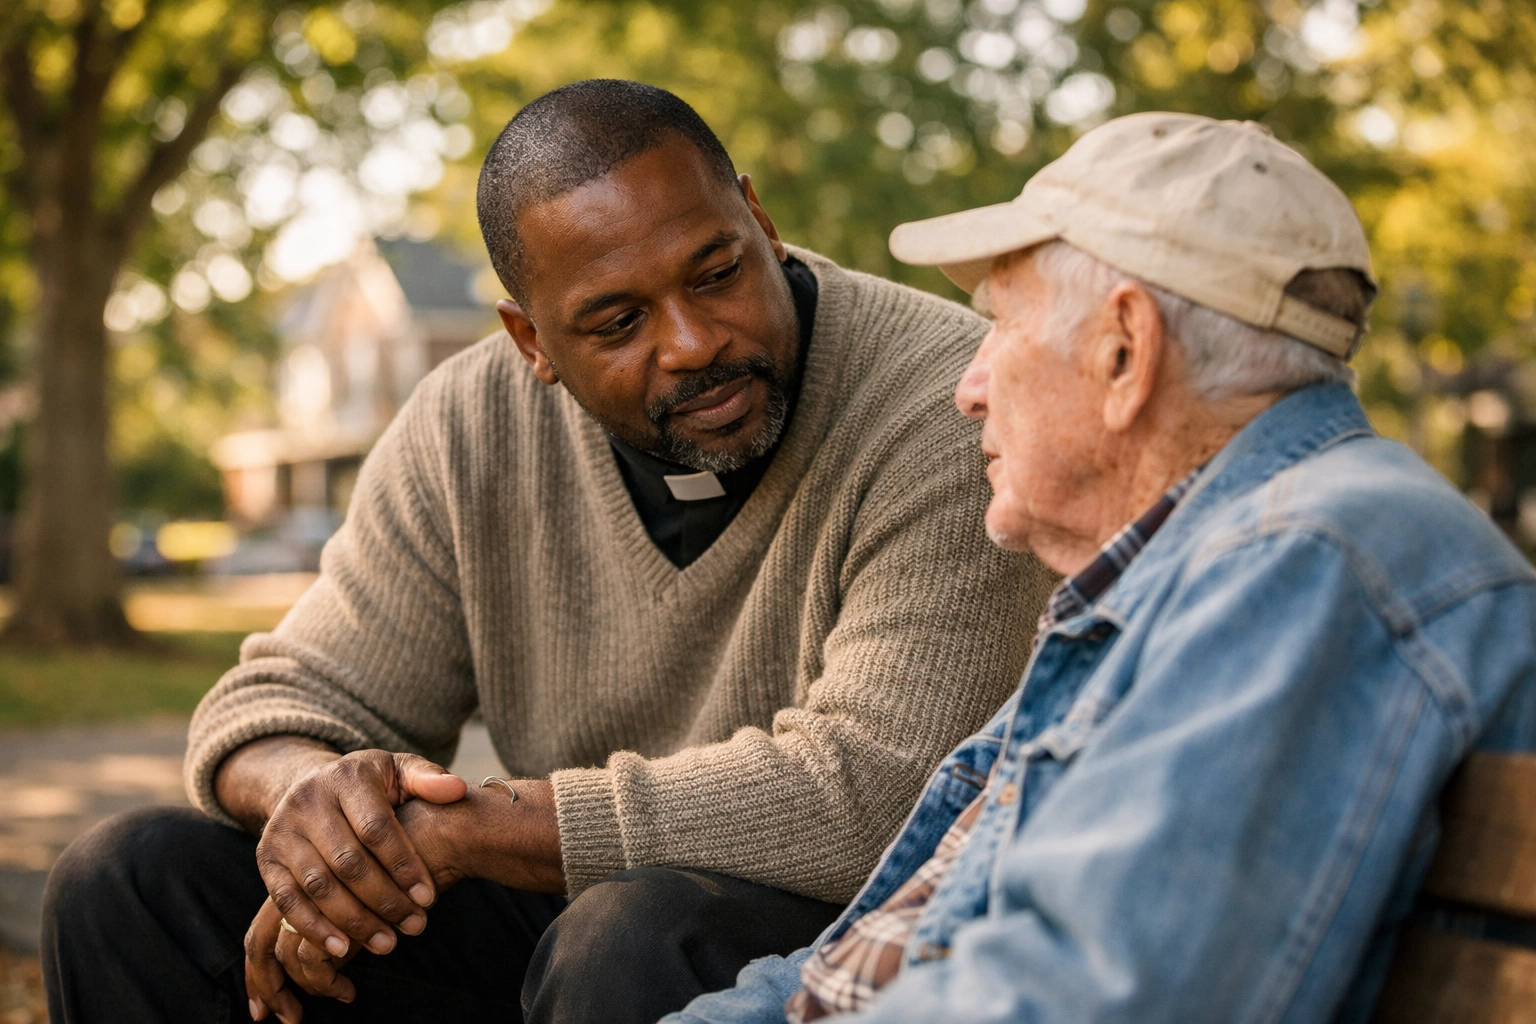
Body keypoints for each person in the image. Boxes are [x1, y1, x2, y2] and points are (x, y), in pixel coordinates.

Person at [41, 81, 1055, 1024]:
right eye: (617, 321)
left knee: (632, 935)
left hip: (861, 937)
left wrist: (477, 826)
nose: (693, 340)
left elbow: (875, 794)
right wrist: (326, 817)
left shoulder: (943, 402)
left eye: (717, 272)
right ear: (530, 343)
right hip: (574, 912)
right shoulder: (466, 425)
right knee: (129, 877)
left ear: (760, 220)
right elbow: (281, 700)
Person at [662, 111, 1536, 1024]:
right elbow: (872, 955)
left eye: (1000, 327)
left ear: (1125, 350)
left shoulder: (1308, 560)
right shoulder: (1177, 583)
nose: (969, 384)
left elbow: (1090, 999)